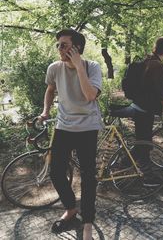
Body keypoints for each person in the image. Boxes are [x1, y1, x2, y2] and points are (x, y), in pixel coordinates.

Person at [40, 28, 102, 240]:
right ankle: (70, 208)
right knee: (56, 172)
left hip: (87, 128)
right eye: (58, 45)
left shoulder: (92, 67)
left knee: (88, 177)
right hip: (63, 126)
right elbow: (50, 89)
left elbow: (90, 95)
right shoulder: (54, 68)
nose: (60, 49)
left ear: (77, 48)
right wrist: (46, 111)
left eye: (65, 45)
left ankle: (87, 223)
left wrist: (78, 66)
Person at [130, 37, 163, 186]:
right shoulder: (157, 65)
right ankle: (148, 177)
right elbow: (162, 91)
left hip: (138, 104)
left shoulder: (147, 60)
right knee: (144, 143)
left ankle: (123, 165)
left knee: (141, 140)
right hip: (145, 109)